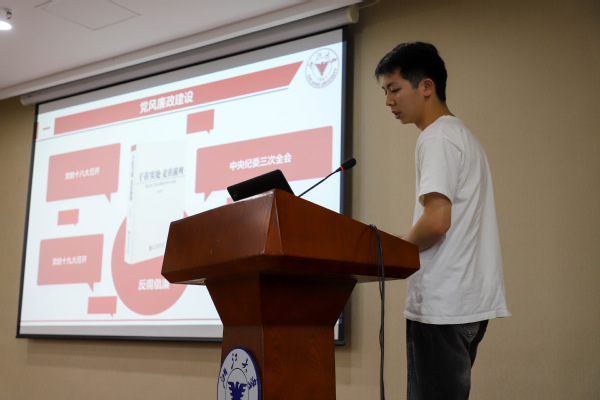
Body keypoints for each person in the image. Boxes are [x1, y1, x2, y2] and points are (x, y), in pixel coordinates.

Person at [374, 42, 511, 399]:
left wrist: (393, 249)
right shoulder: (462, 135)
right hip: (466, 306)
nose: (388, 101)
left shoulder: (436, 136)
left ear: (426, 86)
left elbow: (436, 222)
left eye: (394, 89)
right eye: (385, 92)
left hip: (442, 307)